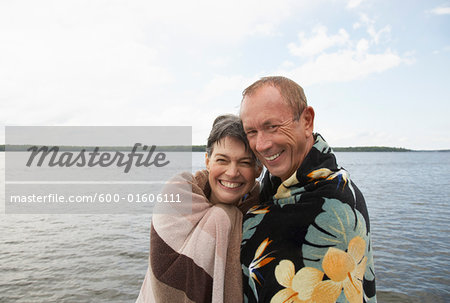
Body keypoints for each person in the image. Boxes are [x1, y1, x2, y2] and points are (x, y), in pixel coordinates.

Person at [239, 76, 376, 303]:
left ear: (307, 121)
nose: (261, 145)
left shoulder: (334, 200)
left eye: (272, 126)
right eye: (251, 132)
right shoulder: (273, 185)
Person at [136, 114, 262, 303]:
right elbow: (165, 279)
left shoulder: (261, 215)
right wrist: (225, 216)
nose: (232, 172)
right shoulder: (177, 196)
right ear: (207, 161)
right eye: (222, 160)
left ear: (258, 170)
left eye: (244, 162)